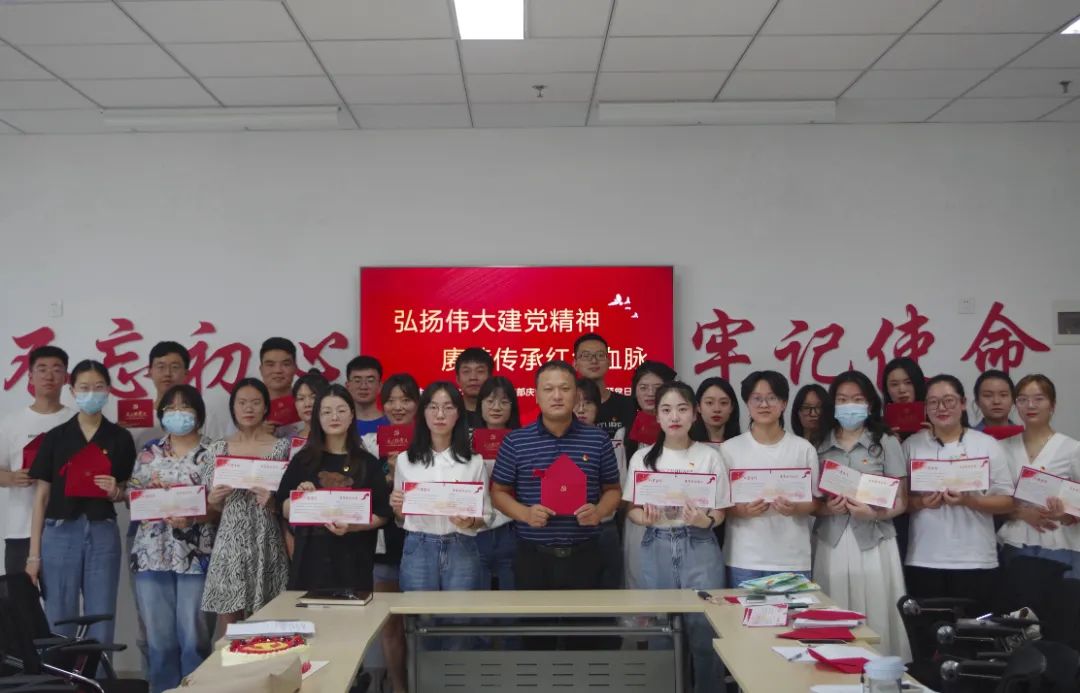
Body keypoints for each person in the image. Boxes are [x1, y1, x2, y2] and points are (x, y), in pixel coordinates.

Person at [624, 381, 730, 693]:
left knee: (705, 631)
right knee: (661, 630)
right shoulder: (643, 458)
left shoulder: (709, 456)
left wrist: (705, 520)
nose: (675, 417)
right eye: (667, 409)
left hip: (699, 543)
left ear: (694, 414)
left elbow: (721, 510)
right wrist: (644, 518)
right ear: (656, 416)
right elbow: (631, 510)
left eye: (682, 409)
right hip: (656, 543)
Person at [27, 360, 136, 647]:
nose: (91, 393)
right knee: (58, 614)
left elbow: (130, 491)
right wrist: (33, 556)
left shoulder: (120, 437)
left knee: (101, 614)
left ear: (108, 390)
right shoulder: (56, 437)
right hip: (59, 532)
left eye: (98, 387)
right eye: (84, 387)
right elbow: (41, 497)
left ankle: (97, 674)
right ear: (72, 390)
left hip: (102, 531)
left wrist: (116, 491)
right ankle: (61, 674)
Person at [491, 361, 622, 592]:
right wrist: (525, 513)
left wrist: (599, 511)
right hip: (532, 556)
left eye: (565, 388)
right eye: (548, 389)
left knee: (586, 616)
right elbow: (498, 493)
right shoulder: (516, 441)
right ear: (536, 396)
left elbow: (613, 490)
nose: (557, 396)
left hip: (586, 554)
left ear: (576, 395)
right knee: (533, 616)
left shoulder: (598, 440)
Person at [813, 371, 911, 660]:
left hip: (874, 539)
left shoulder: (886, 440)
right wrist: (827, 508)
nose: (850, 406)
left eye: (857, 399)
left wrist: (874, 514)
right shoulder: (818, 442)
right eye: (842, 400)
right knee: (833, 609)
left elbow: (902, 501)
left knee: (877, 609)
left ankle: (879, 671)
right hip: (831, 538)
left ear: (869, 404)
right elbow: (812, 502)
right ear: (833, 404)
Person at [128, 385, 216, 693]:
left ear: (198, 413)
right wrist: (147, 494)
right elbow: (132, 496)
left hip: (196, 554)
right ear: (162, 414)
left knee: (195, 639)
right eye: (171, 408)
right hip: (151, 553)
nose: (178, 414)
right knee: (159, 640)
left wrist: (193, 517)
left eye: (185, 407)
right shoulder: (149, 451)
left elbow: (221, 505)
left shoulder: (213, 451)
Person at [902, 374, 1015, 614]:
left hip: (976, 558)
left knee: (976, 632)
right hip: (924, 558)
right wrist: (921, 502)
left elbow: (1007, 501)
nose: (941, 408)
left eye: (949, 400)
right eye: (933, 402)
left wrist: (969, 500)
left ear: (963, 403)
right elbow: (900, 501)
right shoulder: (912, 445)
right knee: (930, 631)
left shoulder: (986, 444)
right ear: (925, 407)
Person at [277, 385, 391, 591]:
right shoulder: (303, 460)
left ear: (351, 415)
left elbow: (382, 514)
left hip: (354, 563)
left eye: (341, 410)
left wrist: (354, 526)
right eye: (327, 412)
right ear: (318, 418)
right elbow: (281, 506)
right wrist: (299, 500)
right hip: (310, 563)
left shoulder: (367, 463)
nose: (334, 417)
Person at [201, 378, 290, 625]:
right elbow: (212, 504)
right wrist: (214, 500)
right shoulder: (218, 448)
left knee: (268, 621)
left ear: (265, 407)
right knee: (229, 619)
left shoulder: (282, 448)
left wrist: (273, 502)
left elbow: (287, 501)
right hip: (230, 540)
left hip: (267, 537)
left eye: (255, 402)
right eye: (242, 403)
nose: (248, 408)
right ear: (233, 408)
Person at [723, 370, 821, 586]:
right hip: (743, 558)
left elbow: (816, 502)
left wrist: (795, 508)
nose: (764, 405)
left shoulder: (803, 449)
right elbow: (719, 505)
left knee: (793, 610)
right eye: (756, 398)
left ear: (784, 403)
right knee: (741, 610)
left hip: (792, 558)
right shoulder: (729, 449)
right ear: (747, 403)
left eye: (772, 398)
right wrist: (742, 510)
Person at [390, 382, 487, 596]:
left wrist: (470, 521)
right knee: (418, 613)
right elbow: (401, 517)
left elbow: (485, 514)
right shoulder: (405, 460)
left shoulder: (474, 461)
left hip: (461, 545)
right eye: (433, 407)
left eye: (448, 407)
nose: (440, 415)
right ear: (423, 412)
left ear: (458, 414)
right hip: (419, 545)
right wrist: (397, 507)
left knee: (461, 613)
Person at [0, 346, 73, 577]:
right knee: (20, 596)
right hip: (20, 530)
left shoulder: (76, 421)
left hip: (65, 528)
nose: (49, 376)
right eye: (42, 369)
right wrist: (12, 478)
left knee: (62, 597)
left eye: (56, 369)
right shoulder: (11, 423)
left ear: (66, 377)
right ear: (30, 377)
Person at [997, 374, 1080, 577]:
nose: (1030, 405)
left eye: (1039, 399)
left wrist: (1064, 515)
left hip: (1059, 543)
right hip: (1014, 542)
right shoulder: (1002, 448)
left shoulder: (1072, 449)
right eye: (1023, 399)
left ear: (1052, 405)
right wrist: (1021, 513)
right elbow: (993, 500)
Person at [370, 373, 420, 693]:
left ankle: (425, 681)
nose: (398, 406)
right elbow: (363, 497)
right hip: (384, 544)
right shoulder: (369, 444)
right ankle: (398, 686)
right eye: (391, 400)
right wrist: (386, 477)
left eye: (405, 399)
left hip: (423, 543)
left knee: (424, 621)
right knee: (391, 624)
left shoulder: (431, 443)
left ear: (417, 404)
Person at [574, 378, 625, 590]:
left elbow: (619, 488)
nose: (581, 409)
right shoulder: (554, 443)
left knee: (608, 593)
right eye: (576, 403)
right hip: (570, 529)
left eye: (588, 403)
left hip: (605, 526)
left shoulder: (612, 442)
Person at [475, 376, 521, 590]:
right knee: (477, 597)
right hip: (476, 528)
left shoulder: (523, 441)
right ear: (480, 405)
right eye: (490, 401)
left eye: (504, 402)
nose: (496, 407)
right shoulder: (464, 443)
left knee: (511, 595)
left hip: (511, 525)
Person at [572, 333, 635, 439]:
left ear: (609, 362)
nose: (594, 361)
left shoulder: (627, 404)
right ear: (575, 363)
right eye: (586, 356)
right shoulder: (566, 405)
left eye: (600, 355)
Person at [625, 361, 678, 460]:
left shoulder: (680, 429)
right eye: (643, 388)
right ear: (635, 392)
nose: (650, 393)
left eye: (658, 388)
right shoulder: (623, 433)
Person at [259, 338, 300, 438]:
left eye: (286, 364)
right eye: (270, 365)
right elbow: (229, 444)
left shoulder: (311, 406)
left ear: (295, 368)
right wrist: (253, 432)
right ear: (261, 369)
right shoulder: (246, 409)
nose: (278, 370)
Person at [689, 377, 741, 446]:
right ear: (698, 407)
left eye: (723, 403)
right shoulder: (688, 445)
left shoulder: (741, 445)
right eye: (709, 403)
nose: (717, 409)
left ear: (732, 407)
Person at [346, 356, 388, 436]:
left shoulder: (392, 422)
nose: (363, 387)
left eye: (370, 381)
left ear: (380, 386)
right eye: (357, 381)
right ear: (348, 386)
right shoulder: (339, 423)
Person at [455, 347, 494, 430]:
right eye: (466, 371)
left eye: (480, 371)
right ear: (458, 379)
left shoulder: (499, 413)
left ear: (490, 377)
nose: (473, 377)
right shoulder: (450, 414)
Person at [792, 383, 829, 448]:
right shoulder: (790, 447)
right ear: (797, 412)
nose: (813, 414)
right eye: (806, 408)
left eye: (818, 407)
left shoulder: (835, 445)